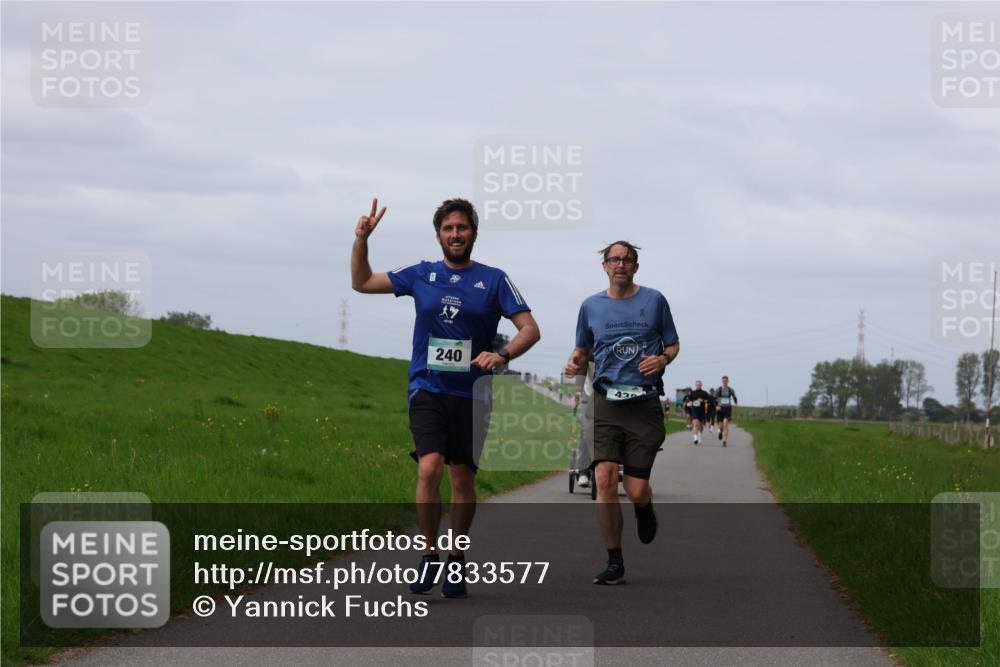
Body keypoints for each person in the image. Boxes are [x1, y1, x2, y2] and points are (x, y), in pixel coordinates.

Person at [351, 197, 541, 598]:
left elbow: (529, 328)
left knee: (462, 479)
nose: (455, 234)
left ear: (473, 232)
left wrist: (502, 353)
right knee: (429, 467)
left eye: (462, 228)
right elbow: (363, 282)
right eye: (448, 229)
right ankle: (429, 554)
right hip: (427, 387)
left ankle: (456, 559)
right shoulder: (422, 273)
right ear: (438, 234)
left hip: (473, 394)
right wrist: (361, 241)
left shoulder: (494, 279)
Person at [564, 241, 680, 585]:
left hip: (643, 404)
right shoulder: (590, 306)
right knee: (604, 478)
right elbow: (582, 349)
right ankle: (614, 559)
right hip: (605, 403)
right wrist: (574, 361)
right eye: (614, 259)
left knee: (636, 489)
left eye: (628, 260)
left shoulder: (654, 301)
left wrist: (663, 358)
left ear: (636, 266)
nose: (621, 265)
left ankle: (644, 508)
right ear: (604, 265)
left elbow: (673, 343)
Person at [569, 361, 597, 488]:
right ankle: (584, 471)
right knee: (587, 429)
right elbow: (582, 367)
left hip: (614, 392)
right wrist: (577, 395)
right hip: (589, 392)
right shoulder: (592, 347)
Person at [716, 375, 738, 446]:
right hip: (720, 408)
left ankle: (724, 441)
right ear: (722, 381)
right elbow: (714, 399)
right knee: (721, 426)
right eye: (723, 381)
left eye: (726, 381)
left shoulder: (730, 390)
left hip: (727, 408)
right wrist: (717, 406)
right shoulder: (718, 389)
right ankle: (720, 431)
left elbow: (734, 397)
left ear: (728, 381)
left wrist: (736, 403)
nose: (725, 382)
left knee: (725, 424)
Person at [688, 380, 711, 445]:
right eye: (697, 384)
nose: (698, 385)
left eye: (699, 384)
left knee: (701, 426)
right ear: (695, 385)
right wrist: (690, 402)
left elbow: (708, 400)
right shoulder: (692, 393)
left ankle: (699, 435)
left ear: (701, 385)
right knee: (695, 424)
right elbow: (689, 400)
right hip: (695, 411)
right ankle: (695, 438)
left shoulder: (704, 393)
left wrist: (703, 400)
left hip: (702, 411)